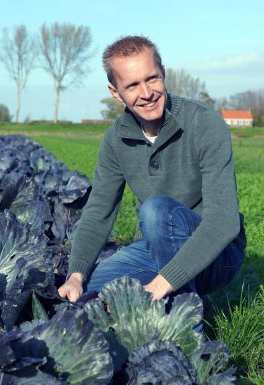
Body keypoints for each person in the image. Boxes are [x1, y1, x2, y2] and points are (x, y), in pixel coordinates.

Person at [58, 35, 246, 310]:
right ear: (115, 92)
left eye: (152, 79)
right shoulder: (115, 140)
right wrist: (75, 275)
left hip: (218, 255)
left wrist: (160, 285)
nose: (146, 94)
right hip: (153, 250)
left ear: (163, 74)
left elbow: (223, 222)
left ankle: (189, 331)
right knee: (93, 293)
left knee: (156, 210)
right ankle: (188, 293)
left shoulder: (203, 123)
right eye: (132, 85)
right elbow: (99, 211)